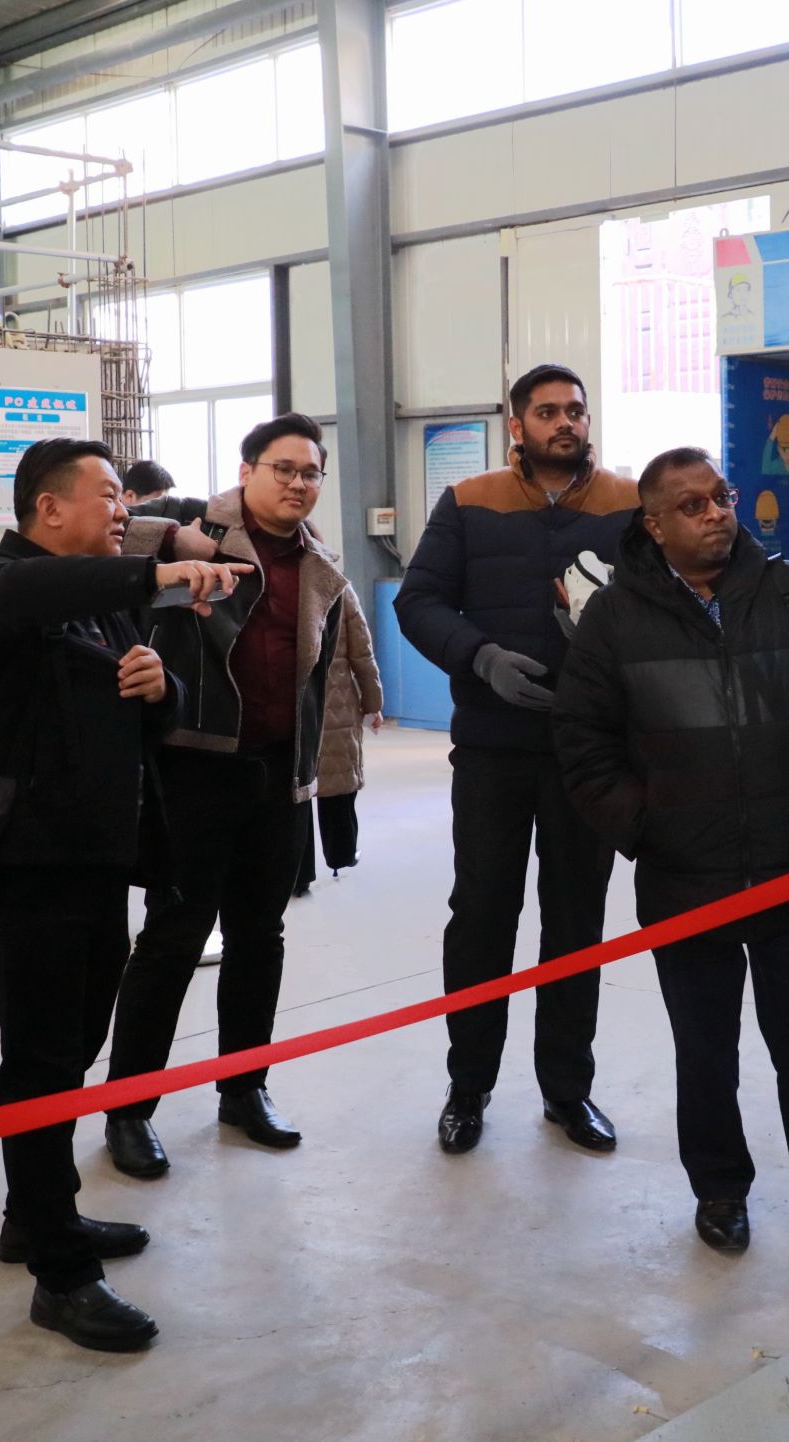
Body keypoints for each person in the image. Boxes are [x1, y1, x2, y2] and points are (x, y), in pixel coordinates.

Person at [552, 446, 789, 1254]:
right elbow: (583, 741)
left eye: (722, 497)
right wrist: (646, 827)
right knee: (706, 1051)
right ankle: (720, 1190)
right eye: (693, 505)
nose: (715, 513)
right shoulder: (615, 618)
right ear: (654, 525)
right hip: (685, 876)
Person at [0, 437, 242, 1352]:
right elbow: (24, 598)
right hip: (25, 870)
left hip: (97, 863)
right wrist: (157, 570)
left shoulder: (105, 604)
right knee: (40, 1061)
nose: (123, 512)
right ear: (48, 508)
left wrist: (159, 686)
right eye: (108, 496)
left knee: (70, 1047)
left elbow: (143, 709)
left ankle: (34, 1215)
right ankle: (62, 1276)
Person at [393, 362, 639, 1155]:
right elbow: (418, 600)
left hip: (589, 752)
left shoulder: (628, 503)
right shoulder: (470, 501)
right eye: (548, 411)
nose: (565, 422)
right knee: (482, 915)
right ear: (518, 426)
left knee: (577, 921)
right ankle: (468, 1086)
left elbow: (663, 603)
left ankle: (568, 1090)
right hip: (493, 748)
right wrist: (480, 656)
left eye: (575, 410)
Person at [101, 413, 351, 1179]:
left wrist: (327, 779)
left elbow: (326, 682)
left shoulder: (319, 564)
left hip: (278, 774)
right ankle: (129, 1109)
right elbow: (112, 533)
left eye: (310, 473)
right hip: (195, 766)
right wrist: (181, 539)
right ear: (247, 472)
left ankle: (244, 1089)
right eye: (284, 469)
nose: (298, 484)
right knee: (173, 938)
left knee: (259, 937)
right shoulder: (193, 525)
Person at [296, 580, 385, 895]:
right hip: (337, 705)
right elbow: (363, 654)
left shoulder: (280, 584)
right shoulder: (339, 588)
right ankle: (342, 854)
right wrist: (373, 704)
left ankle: (298, 874)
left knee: (295, 791)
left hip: (293, 704)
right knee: (338, 783)